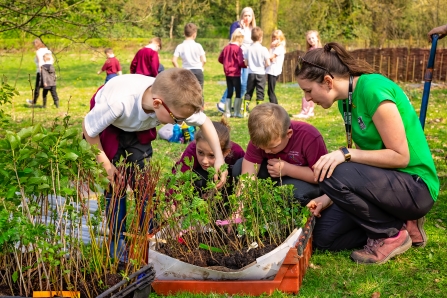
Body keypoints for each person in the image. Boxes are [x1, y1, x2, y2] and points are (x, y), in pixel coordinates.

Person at [295, 42, 439, 264]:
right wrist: (327, 198)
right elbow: (363, 163)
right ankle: (401, 222)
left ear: (327, 81)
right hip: (386, 186)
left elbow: (401, 156)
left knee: (332, 170)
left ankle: (390, 234)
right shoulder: (346, 101)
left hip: (415, 185)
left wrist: (344, 153)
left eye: (308, 90)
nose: (307, 99)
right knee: (324, 237)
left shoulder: (373, 89)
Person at [82, 68, 228, 262]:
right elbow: (89, 130)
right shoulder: (117, 103)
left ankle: (148, 235)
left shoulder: (173, 100)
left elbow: (205, 123)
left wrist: (219, 158)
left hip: (137, 129)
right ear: (157, 103)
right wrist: (106, 165)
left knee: (144, 183)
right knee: (115, 185)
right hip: (108, 127)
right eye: (177, 121)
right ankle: (117, 240)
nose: (181, 124)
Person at [233, 103, 327, 205]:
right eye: (262, 148)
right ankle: (262, 203)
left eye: (272, 147)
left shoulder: (309, 137)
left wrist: (287, 169)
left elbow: (321, 177)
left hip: (303, 179)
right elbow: (247, 177)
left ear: (288, 134)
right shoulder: (259, 139)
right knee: (239, 168)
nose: (267, 152)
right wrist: (238, 209)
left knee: (292, 194)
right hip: (274, 175)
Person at [174, 118, 245, 197]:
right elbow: (178, 176)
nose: (204, 161)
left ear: (225, 153)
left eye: (211, 155)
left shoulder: (237, 152)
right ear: (196, 144)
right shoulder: (192, 149)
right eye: (200, 153)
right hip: (201, 184)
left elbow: (246, 175)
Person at [217, 7, 256, 113]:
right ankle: (222, 102)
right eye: (245, 15)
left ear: (252, 17)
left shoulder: (253, 30)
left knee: (243, 84)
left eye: (249, 15)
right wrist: (242, 29)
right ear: (242, 16)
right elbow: (235, 40)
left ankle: (236, 105)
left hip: (248, 60)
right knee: (235, 82)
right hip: (237, 59)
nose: (247, 18)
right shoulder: (238, 28)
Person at [172, 23, 206, 102]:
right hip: (197, 70)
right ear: (194, 34)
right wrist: (201, 67)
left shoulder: (180, 46)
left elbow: (174, 60)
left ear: (184, 33)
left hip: (186, 71)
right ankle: (200, 110)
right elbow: (204, 60)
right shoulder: (198, 46)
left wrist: (179, 69)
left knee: (186, 92)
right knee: (199, 91)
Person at [218, 28, 247, 118]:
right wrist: (245, 64)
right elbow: (240, 62)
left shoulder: (226, 48)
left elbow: (220, 59)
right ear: (240, 39)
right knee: (238, 92)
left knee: (230, 91)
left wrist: (226, 63)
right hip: (236, 74)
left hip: (227, 73)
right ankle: (236, 112)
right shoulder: (238, 49)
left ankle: (227, 112)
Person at [293, 30, 322, 119]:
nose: (311, 40)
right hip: (309, 73)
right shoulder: (309, 50)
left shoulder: (320, 50)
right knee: (308, 92)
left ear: (317, 38)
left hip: (315, 73)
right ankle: (306, 111)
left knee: (310, 91)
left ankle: (308, 111)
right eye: (309, 39)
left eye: (313, 38)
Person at [244, 27, 270, 111]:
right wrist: (264, 66)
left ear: (251, 37)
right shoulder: (264, 49)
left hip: (251, 73)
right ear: (261, 37)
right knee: (260, 93)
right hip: (261, 73)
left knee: (249, 92)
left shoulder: (248, 49)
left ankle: (245, 110)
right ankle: (259, 110)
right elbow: (268, 63)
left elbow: (246, 63)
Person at [26, 38, 54, 107]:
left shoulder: (38, 51)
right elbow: (52, 60)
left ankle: (34, 101)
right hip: (50, 70)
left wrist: (42, 71)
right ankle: (54, 102)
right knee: (49, 87)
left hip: (41, 71)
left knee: (37, 87)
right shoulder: (48, 50)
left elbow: (40, 62)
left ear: (36, 44)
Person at [266, 30, 286, 105]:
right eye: (273, 38)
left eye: (277, 39)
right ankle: (275, 106)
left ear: (281, 39)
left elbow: (270, 57)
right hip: (271, 70)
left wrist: (270, 48)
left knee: (271, 91)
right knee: (270, 91)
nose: (275, 40)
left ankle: (275, 107)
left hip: (274, 71)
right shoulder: (275, 48)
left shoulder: (279, 48)